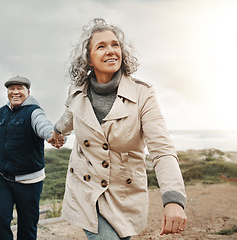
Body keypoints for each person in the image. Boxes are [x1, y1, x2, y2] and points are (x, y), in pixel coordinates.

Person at [49, 18, 187, 239]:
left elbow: (162, 149)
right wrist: (57, 132)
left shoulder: (143, 94)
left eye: (115, 45)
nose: (111, 51)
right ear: (88, 58)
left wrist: (173, 199)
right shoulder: (76, 90)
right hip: (87, 190)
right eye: (101, 46)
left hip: (124, 194)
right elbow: (70, 116)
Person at [0, 76, 57, 240]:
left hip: (29, 180)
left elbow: (44, 125)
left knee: (27, 225)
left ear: (28, 92)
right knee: (0, 218)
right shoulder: (0, 112)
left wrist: (53, 135)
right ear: (7, 92)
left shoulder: (34, 111)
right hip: (2, 176)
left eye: (20, 88)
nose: (15, 92)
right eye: (12, 88)